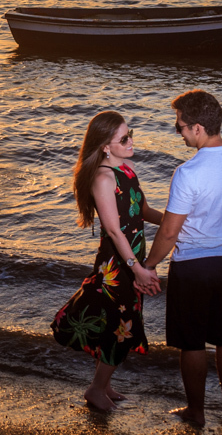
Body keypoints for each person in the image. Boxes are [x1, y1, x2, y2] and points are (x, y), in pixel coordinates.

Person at [143, 90, 222, 426]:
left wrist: (148, 266)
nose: (178, 132)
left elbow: (168, 232)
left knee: (192, 342)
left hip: (193, 266)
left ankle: (196, 411)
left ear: (197, 128)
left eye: (180, 126)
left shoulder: (188, 172)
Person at [52, 111, 163, 411]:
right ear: (105, 146)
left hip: (132, 259)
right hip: (118, 265)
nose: (131, 141)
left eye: (130, 134)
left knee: (120, 323)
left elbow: (144, 211)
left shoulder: (126, 171)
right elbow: (114, 230)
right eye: (123, 138)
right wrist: (136, 268)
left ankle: (103, 384)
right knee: (124, 326)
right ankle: (96, 389)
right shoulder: (103, 178)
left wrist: (176, 223)